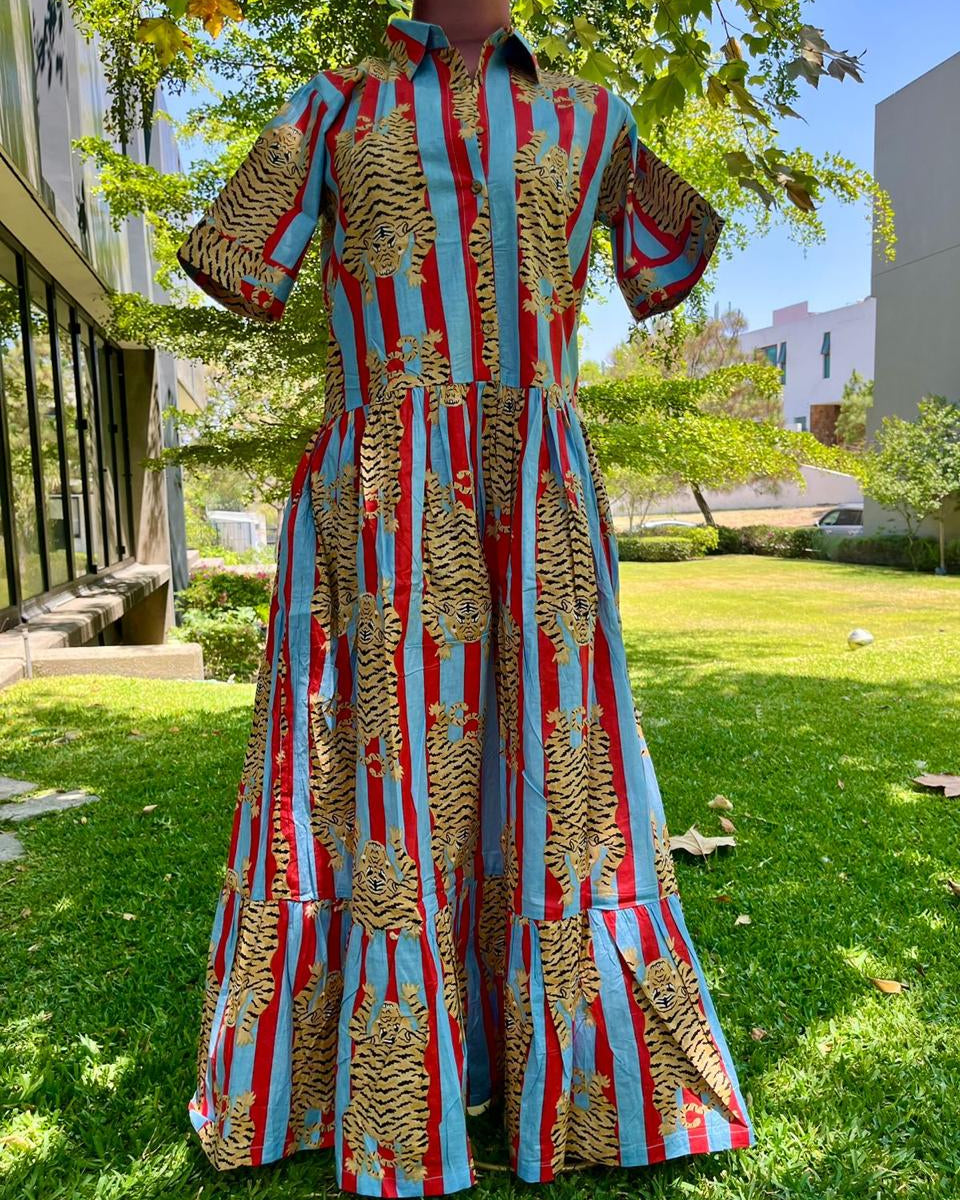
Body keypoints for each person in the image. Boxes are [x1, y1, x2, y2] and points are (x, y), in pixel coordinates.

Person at [176, 0, 753, 1193]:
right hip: (381, 498)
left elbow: (665, 255)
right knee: (376, 767)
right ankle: (370, 1082)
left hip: (537, 497)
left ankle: (568, 1082)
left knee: (560, 772)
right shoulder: (330, 108)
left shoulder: (597, 119)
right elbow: (242, 255)